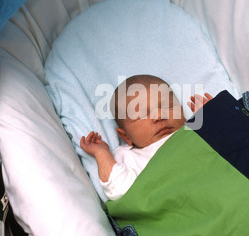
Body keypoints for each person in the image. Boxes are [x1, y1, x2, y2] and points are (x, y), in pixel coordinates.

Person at [80, 74, 212, 200]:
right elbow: (119, 190)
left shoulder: (198, 131)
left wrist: (215, 116)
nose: (159, 116)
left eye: (167, 106)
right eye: (143, 114)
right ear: (126, 136)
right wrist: (102, 153)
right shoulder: (130, 156)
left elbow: (228, 145)